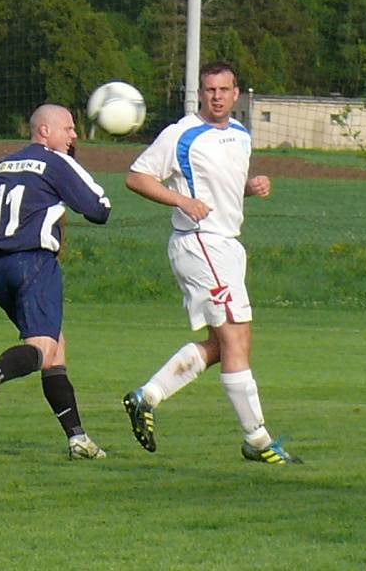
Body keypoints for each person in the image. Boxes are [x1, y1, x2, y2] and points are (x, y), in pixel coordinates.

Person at [121, 61, 301, 464]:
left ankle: (145, 397)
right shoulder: (182, 134)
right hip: (199, 242)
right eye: (209, 90)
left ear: (236, 94)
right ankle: (257, 439)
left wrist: (249, 189)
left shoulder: (240, 135)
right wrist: (181, 200)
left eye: (224, 89)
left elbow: (222, 189)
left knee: (224, 345)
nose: (217, 96)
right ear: (200, 94)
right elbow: (137, 177)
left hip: (227, 246)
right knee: (238, 339)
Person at [0, 104, 111, 459]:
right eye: (69, 129)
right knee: (43, 348)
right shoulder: (55, 162)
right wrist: (72, 167)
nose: (74, 136)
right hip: (34, 263)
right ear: (45, 131)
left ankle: (78, 439)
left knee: (54, 349)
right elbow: (99, 209)